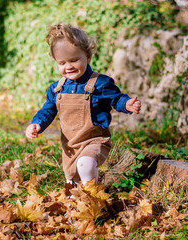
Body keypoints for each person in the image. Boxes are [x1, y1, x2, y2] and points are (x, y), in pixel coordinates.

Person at [25, 23, 141, 186]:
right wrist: (37, 124)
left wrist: (127, 104)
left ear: (87, 57)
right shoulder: (57, 89)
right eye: (62, 63)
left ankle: (91, 196)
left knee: (85, 165)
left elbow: (116, 98)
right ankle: (74, 204)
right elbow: (48, 110)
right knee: (71, 178)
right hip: (70, 144)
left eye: (74, 60)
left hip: (94, 140)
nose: (68, 67)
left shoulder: (100, 83)